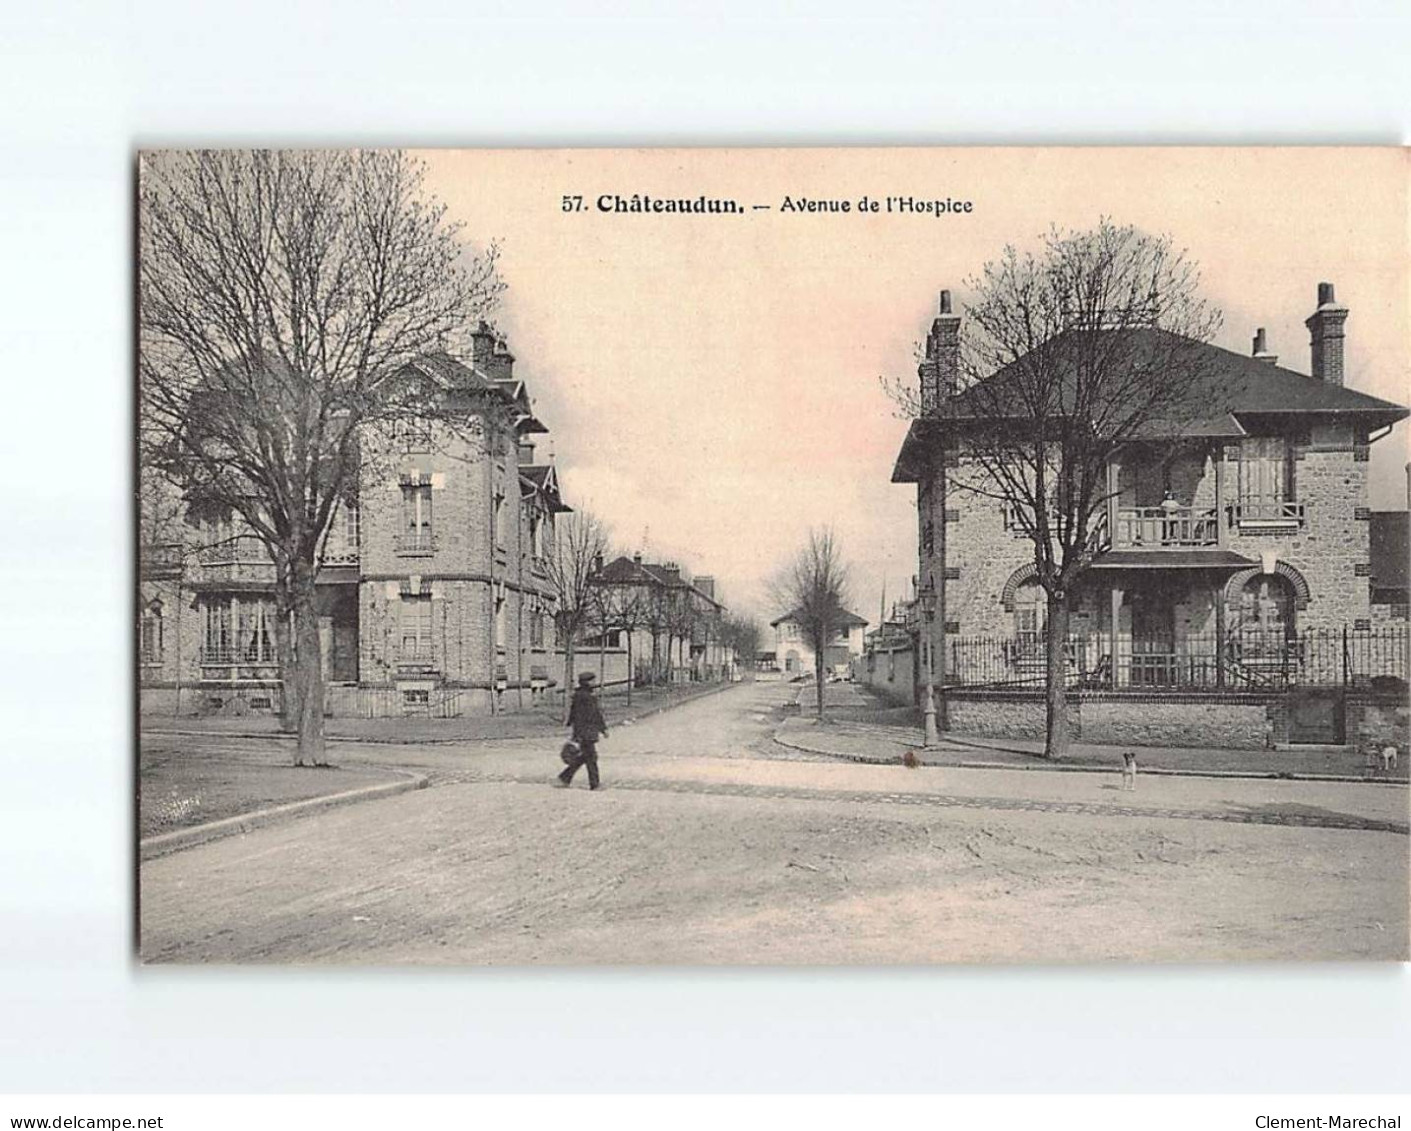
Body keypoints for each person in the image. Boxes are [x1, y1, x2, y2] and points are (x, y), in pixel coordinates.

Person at [558, 671, 608, 790]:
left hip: (582, 730)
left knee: (586, 757)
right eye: (592, 680)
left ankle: (565, 777)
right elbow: (595, 714)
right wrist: (603, 729)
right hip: (587, 731)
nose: (594, 683)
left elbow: (573, 714)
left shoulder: (579, 695)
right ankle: (594, 784)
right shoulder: (587, 697)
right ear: (587, 682)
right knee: (591, 758)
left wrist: (573, 728)